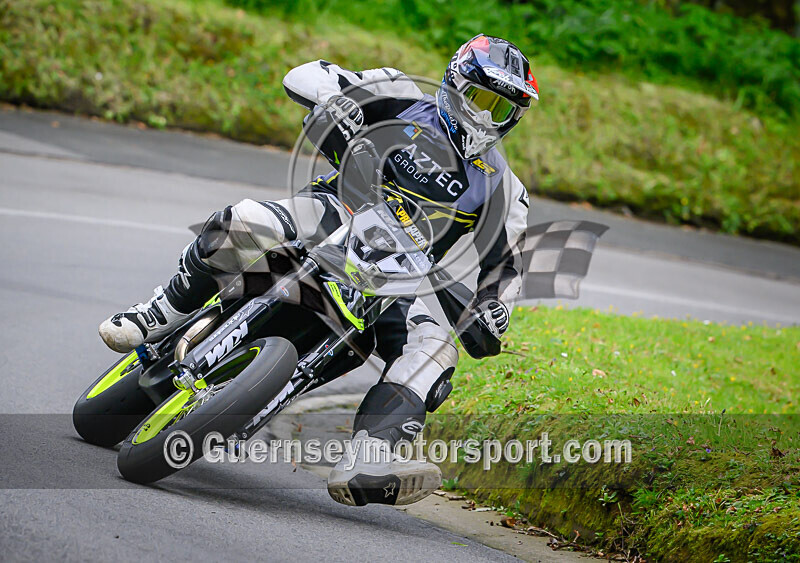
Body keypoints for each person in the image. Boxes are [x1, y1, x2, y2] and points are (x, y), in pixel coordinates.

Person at [98, 34, 538, 506]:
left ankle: (368, 460)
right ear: (454, 82)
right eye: (481, 98)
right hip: (331, 211)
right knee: (244, 220)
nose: (486, 116)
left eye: (503, 108)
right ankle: (156, 313)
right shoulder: (401, 92)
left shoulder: (506, 190)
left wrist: (495, 309)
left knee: (435, 352)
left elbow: (507, 265)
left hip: (396, 279)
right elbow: (307, 76)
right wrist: (336, 108)